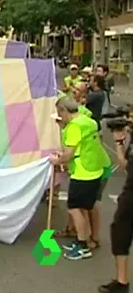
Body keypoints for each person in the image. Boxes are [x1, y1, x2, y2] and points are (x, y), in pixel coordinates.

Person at [50, 97, 108, 260]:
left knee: (75, 208)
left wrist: (57, 160)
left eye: (59, 113)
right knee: (85, 207)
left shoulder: (74, 127)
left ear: (63, 110)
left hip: (82, 173)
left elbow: (68, 153)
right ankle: (83, 240)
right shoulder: (88, 121)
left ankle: (82, 245)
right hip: (94, 169)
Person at [99, 111, 133, 292]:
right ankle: (122, 282)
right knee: (120, 233)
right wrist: (119, 143)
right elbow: (125, 166)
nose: (128, 122)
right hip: (130, 193)